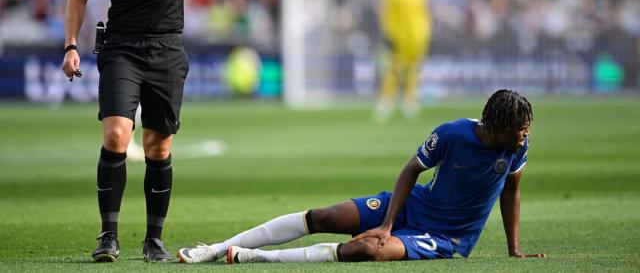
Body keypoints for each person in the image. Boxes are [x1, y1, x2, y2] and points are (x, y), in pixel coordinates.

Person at [60, 0, 260, 262]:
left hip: (167, 50)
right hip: (121, 48)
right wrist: (70, 45)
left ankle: (154, 240)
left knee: (157, 146)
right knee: (117, 134)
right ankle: (108, 236)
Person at [178, 89, 545, 264]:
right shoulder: (453, 133)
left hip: (445, 236)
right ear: (495, 126)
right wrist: (388, 222)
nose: (524, 136)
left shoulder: (514, 148)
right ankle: (214, 248)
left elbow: (511, 191)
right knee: (322, 217)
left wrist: (514, 248)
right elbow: (410, 171)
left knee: (366, 250)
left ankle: (253, 257)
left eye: (525, 130)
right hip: (413, 207)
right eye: (519, 130)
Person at [374, 0, 431, 122]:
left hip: (417, 37)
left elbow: (424, 11)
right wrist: (389, 33)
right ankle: (386, 101)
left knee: (414, 70)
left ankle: (409, 102)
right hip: (398, 37)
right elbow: (388, 13)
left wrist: (425, 32)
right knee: (393, 70)